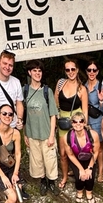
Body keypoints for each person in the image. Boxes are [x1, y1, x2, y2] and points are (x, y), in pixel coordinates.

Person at [22, 60, 59, 195]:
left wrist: (51, 135)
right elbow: (23, 114)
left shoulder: (47, 91)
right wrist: (24, 134)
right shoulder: (25, 91)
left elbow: (53, 115)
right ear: (29, 72)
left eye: (39, 71)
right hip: (32, 133)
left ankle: (52, 182)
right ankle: (43, 181)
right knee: (37, 160)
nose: (37, 73)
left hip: (46, 132)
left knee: (50, 159)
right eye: (35, 71)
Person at [55, 59, 88, 190]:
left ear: (77, 70)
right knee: (63, 153)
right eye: (67, 69)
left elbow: (85, 110)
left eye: (73, 69)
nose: (70, 72)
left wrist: (84, 126)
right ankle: (64, 176)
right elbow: (56, 103)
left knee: (77, 150)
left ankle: (79, 172)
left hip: (77, 123)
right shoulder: (60, 83)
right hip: (63, 122)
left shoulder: (82, 89)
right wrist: (56, 119)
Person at [64, 111, 99, 203]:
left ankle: (89, 192)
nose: (78, 124)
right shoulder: (67, 137)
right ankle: (79, 191)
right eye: (75, 121)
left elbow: (96, 152)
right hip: (76, 158)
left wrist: (90, 168)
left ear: (84, 123)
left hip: (89, 157)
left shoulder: (93, 135)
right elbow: (70, 155)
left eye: (81, 121)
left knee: (89, 177)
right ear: (72, 123)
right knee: (80, 177)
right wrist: (81, 169)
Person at [84, 60, 103, 183]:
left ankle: (101, 172)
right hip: (86, 121)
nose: (91, 72)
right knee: (87, 146)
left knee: (99, 148)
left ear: (97, 72)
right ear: (86, 71)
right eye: (89, 70)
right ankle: (87, 168)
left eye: (94, 70)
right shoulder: (83, 86)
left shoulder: (101, 87)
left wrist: (101, 101)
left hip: (97, 121)